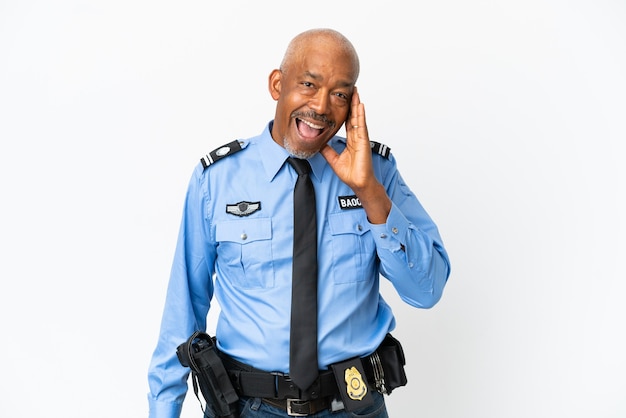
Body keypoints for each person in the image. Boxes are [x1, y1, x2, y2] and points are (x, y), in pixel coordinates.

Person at [147, 28, 450, 418]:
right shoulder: (217, 180)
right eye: (309, 84)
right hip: (248, 407)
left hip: (354, 405)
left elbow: (427, 290)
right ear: (277, 84)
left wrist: (369, 190)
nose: (321, 106)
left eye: (340, 94)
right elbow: (182, 313)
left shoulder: (377, 173)